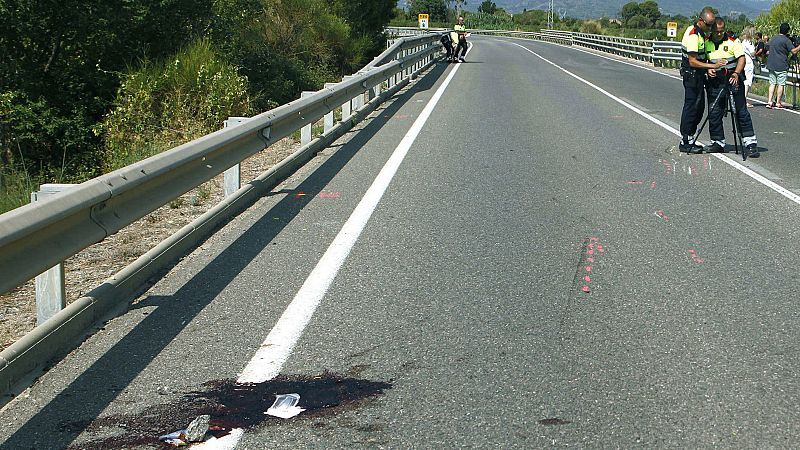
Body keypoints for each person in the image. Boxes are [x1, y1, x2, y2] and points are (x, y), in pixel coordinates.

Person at [703, 18, 759, 158]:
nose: (720, 34)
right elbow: (704, 60)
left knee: (741, 112)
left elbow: (742, 59)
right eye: (717, 31)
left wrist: (736, 73)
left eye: (722, 31)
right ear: (712, 30)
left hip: (733, 80)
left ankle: (750, 144)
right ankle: (717, 142)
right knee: (714, 111)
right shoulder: (706, 42)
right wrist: (708, 69)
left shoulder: (733, 42)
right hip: (716, 81)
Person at [679, 7, 725, 153]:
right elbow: (692, 61)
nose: (710, 28)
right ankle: (685, 140)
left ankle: (690, 137)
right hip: (692, 75)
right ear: (701, 21)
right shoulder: (693, 35)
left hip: (697, 76)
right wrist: (712, 65)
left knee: (699, 107)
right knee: (692, 107)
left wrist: (707, 68)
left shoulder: (700, 34)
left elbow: (700, 58)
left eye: (712, 25)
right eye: (709, 25)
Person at [765, 23, 800, 109]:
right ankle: (778, 102)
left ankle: (769, 101)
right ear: (787, 30)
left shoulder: (773, 38)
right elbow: (794, 51)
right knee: (781, 84)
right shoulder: (786, 40)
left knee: (772, 83)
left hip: (771, 64)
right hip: (781, 65)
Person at [740, 27, 756, 107]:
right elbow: (752, 53)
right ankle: (744, 100)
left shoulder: (742, 42)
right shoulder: (749, 42)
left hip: (743, 62)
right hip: (748, 63)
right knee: (747, 82)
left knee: (744, 81)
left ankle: (742, 99)